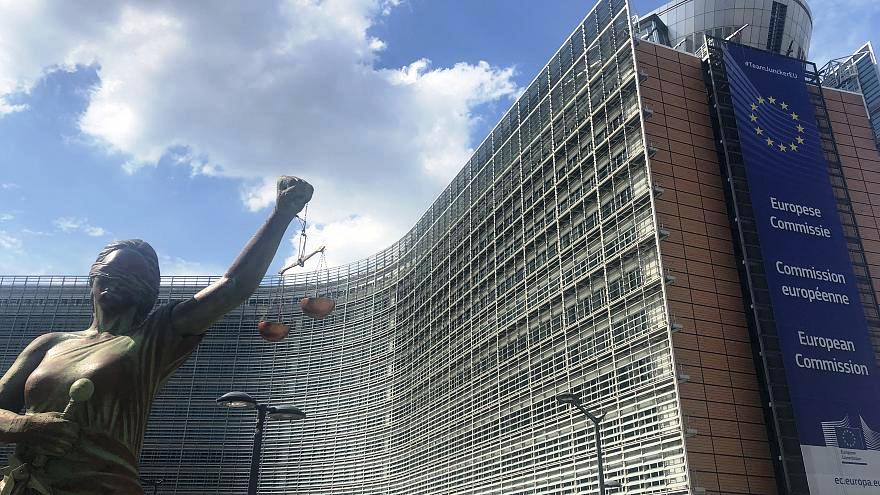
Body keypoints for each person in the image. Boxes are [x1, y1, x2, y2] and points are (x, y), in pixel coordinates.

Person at [0, 176, 313, 494]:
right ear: (92, 278)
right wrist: (23, 426)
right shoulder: (50, 344)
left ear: (148, 292)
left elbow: (233, 286)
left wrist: (281, 215)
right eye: (108, 274)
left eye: (130, 279)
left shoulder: (153, 336)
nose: (116, 283)